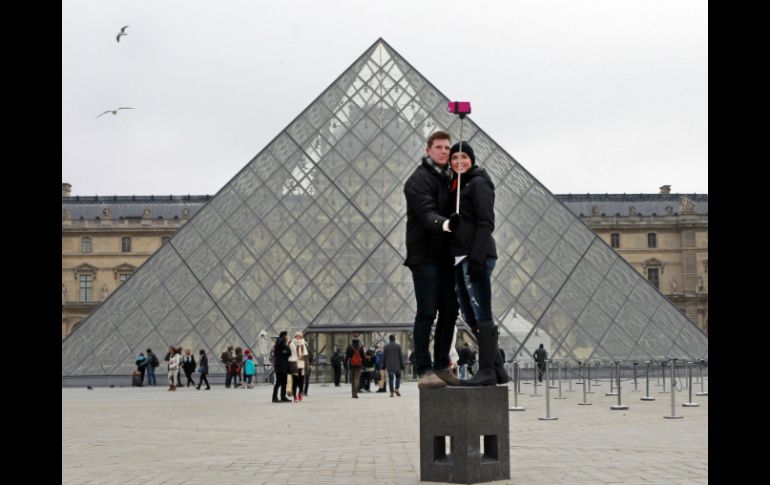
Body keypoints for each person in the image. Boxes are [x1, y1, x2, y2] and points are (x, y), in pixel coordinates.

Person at [403, 130, 461, 389]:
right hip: (424, 255)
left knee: (450, 311)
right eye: (438, 147)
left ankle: (441, 366)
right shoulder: (417, 180)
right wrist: (446, 224)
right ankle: (424, 369)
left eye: (447, 147)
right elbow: (427, 214)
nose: (444, 151)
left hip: (447, 255)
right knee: (427, 312)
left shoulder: (452, 178)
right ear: (427, 150)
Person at [448, 141, 508, 386]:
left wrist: (476, 257)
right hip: (461, 257)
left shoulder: (479, 183)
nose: (459, 161)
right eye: (454, 158)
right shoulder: (459, 185)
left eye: (464, 157)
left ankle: (487, 372)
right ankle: (498, 369)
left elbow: (486, 222)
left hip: (475, 257)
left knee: (481, 313)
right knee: (471, 315)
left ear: (471, 160)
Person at [271, 331, 292, 403]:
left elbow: (289, 352)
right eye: (287, 335)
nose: (288, 337)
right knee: (278, 382)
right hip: (280, 366)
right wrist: (284, 339)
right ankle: (274, 398)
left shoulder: (282, 344)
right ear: (284, 336)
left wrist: (285, 352)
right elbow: (288, 351)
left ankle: (283, 397)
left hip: (284, 366)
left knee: (284, 382)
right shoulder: (280, 343)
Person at [288, 331, 309, 402]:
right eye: (297, 336)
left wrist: (306, 366)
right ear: (295, 337)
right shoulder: (292, 344)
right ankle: (294, 395)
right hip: (294, 363)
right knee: (295, 381)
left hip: (302, 364)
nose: (298, 337)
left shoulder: (303, 344)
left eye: (299, 336)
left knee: (301, 381)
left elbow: (306, 356)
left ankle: (300, 393)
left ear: (301, 337)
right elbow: (290, 353)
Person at [346, 334, 366, 398]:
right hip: (358, 365)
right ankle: (355, 393)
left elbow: (346, 357)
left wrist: (345, 364)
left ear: (352, 340)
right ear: (358, 340)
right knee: (357, 379)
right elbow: (363, 357)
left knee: (352, 380)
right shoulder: (361, 347)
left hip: (351, 365)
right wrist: (364, 364)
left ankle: (353, 394)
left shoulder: (349, 347)